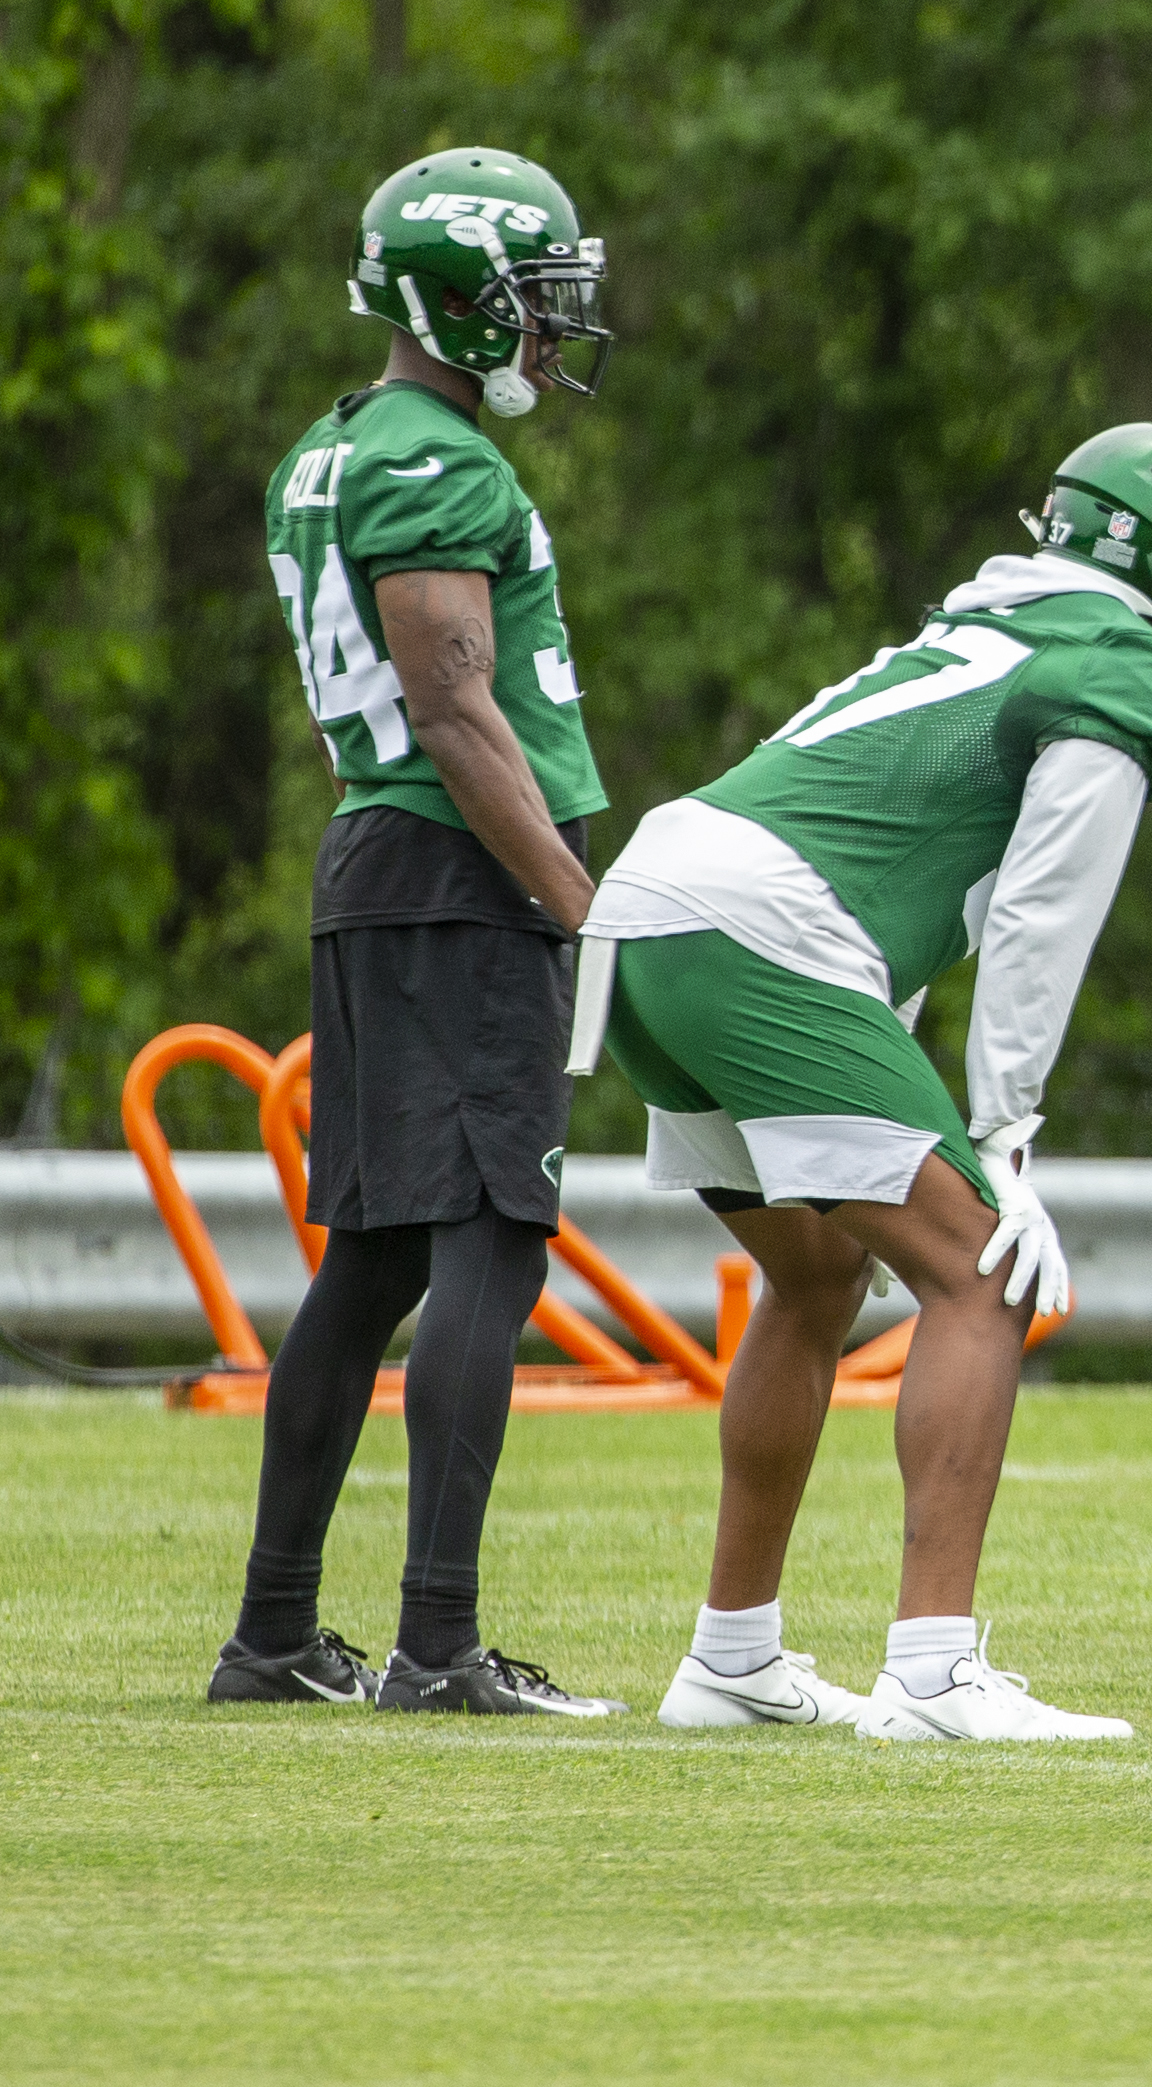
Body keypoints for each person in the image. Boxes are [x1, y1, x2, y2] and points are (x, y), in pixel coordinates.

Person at [570, 424, 1152, 1740]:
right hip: (752, 935)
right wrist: (1002, 1136)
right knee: (980, 1270)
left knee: (817, 1272)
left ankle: (731, 1660)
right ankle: (936, 1673)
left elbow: (875, 857)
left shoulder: (992, 620)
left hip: (656, 914)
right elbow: (1037, 918)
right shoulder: (1112, 664)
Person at [209, 149, 627, 1718]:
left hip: (382, 864)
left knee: (375, 1255)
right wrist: (579, 908)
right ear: (457, 295)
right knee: (492, 1243)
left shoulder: (331, 448)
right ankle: (438, 1646)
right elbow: (455, 710)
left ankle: (271, 1635)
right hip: (461, 868)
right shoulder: (434, 461)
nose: (551, 325)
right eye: (532, 294)